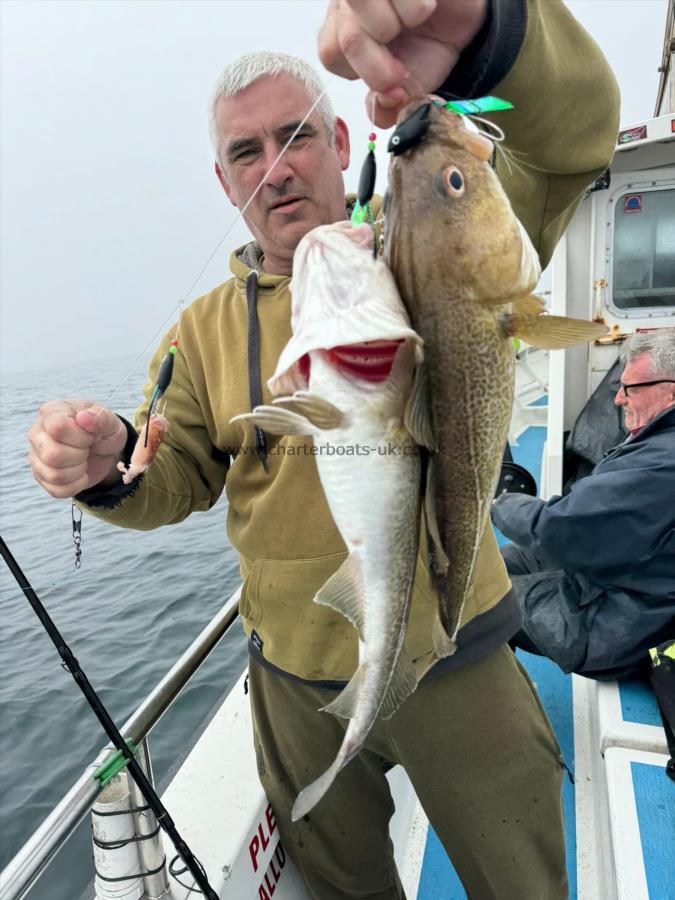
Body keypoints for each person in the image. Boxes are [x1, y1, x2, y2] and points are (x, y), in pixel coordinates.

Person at [28, 1, 620, 897]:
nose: (274, 169)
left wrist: (485, 35)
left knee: (522, 878)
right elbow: (176, 478)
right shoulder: (202, 330)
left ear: (341, 142)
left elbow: (575, 135)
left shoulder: (434, 233)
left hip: (451, 651)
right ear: (225, 182)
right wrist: (108, 462)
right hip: (291, 675)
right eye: (244, 153)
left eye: (292, 137)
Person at [493, 329, 675, 681]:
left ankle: (499, 707)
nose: (618, 400)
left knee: (477, 596)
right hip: (629, 577)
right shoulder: (660, 443)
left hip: (620, 625)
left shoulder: (660, 465)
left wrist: (500, 503)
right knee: (492, 565)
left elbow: (554, 530)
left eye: (630, 389)